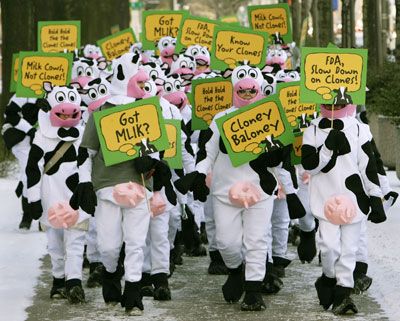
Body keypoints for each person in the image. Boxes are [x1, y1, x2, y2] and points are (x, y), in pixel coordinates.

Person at [301, 100, 386, 315]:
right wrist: (327, 149)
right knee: (329, 248)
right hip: (324, 199)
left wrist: (376, 196)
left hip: (354, 199)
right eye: (329, 100)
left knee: (349, 250)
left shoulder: (359, 129)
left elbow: (368, 164)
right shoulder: (312, 129)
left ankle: (343, 295)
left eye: (339, 100)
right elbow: (310, 166)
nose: (334, 104)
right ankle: (328, 278)